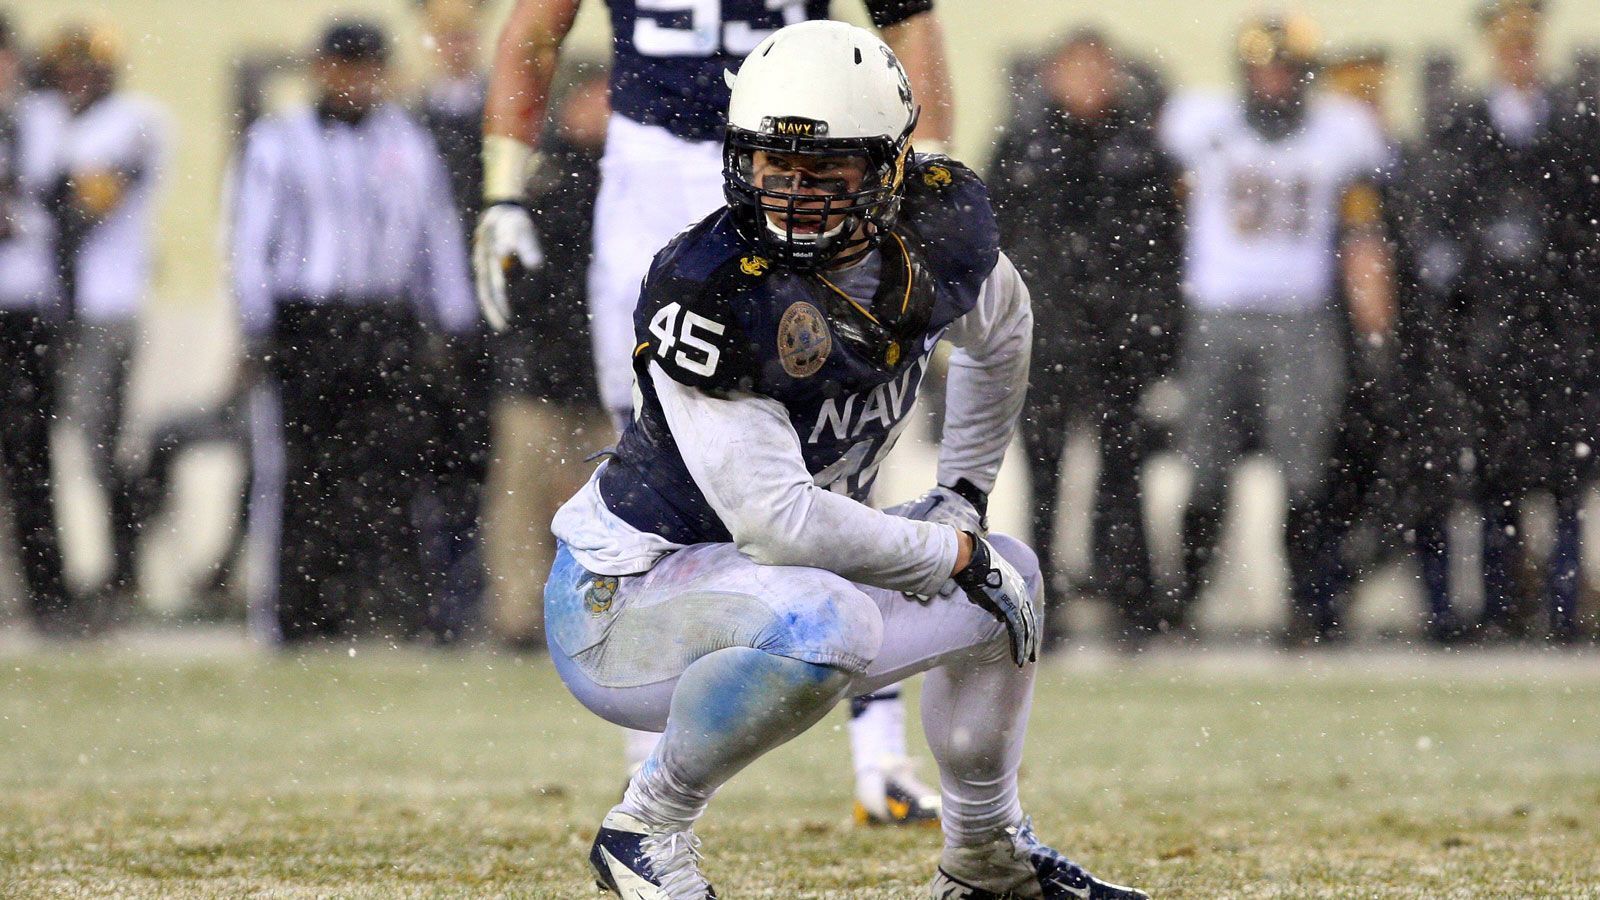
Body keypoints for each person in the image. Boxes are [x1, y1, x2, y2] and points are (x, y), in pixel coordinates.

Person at [545, 22, 1147, 899]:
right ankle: (646, 825)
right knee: (840, 616)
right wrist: (948, 551)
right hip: (625, 602)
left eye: (827, 171)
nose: (795, 195)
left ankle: (985, 855)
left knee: (1008, 579)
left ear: (891, 164)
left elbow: (1004, 329)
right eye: (772, 169)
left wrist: (965, 497)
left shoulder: (937, 225)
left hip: (780, 583)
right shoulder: (715, 285)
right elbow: (777, 522)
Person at [474, 0, 955, 824]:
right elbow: (535, 28)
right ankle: (652, 761)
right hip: (652, 166)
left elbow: (907, 21)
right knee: (652, 458)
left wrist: (929, 169)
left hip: (805, 158)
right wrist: (502, 189)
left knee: (844, 443)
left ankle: (881, 760)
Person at [228, 20, 477, 644]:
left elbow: (435, 235)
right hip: (307, 323)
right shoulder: (276, 140)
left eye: (367, 67)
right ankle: (296, 615)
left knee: (387, 468)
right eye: (344, 67)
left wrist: (453, 320)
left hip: (385, 322)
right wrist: (254, 325)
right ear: (320, 69)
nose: (355, 80)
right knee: (300, 471)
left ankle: (381, 608)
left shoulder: (408, 141)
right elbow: (250, 240)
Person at [1159, 13, 1395, 644]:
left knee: (1305, 469)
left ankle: (1307, 604)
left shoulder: (1340, 131)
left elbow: (1367, 227)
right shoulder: (1203, 123)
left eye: (1283, 68)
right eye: (1260, 68)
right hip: (1217, 311)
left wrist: (1375, 321)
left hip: (1302, 315)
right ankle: (1185, 603)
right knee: (1205, 465)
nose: (1271, 81)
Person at [987, 29, 1181, 647]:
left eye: (1099, 71)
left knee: (1124, 473)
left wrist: (1158, 330)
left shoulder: (1142, 147)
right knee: (1043, 475)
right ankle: (1039, 598)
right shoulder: (1022, 145)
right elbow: (991, 245)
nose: (1089, 84)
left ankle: (1132, 598)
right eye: (1077, 70)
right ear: (1052, 77)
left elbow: (1168, 248)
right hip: (1045, 339)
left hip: (1122, 340)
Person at [1436, 0, 1595, 642]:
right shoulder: (1469, 126)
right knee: (1498, 479)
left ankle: (1562, 609)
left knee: (1566, 481)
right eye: (1509, 46)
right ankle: (1501, 607)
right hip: (1494, 330)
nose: (1519, 58)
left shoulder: (1575, 127)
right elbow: (1447, 223)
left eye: (1527, 46)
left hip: (1561, 329)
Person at [481, 61, 611, 650]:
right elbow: (518, 284)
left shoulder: (626, 180)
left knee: (606, 508)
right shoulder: (539, 182)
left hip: (605, 377)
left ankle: (599, 618)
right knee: (520, 505)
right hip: (537, 377)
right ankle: (517, 621)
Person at [41, 22, 168, 619]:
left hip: (105, 307)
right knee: (77, 447)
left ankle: (119, 570)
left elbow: (90, 204)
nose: (76, 80)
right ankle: (101, 570)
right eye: (68, 69)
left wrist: (37, 194)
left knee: (97, 446)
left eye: (86, 68)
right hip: (54, 307)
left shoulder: (134, 121)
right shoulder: (48, 120)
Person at [413, 0, 494, 643]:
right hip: (418, 329)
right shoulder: (408, 122)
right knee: (428, 467)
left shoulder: (501, 117)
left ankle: (472, 596)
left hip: (493, 326)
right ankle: (432, 598)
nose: (454, 45)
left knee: (482, 468)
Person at [0, 12, 75, 637]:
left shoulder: (42, 119)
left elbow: (61, 199)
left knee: (30, 457)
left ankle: (47, 592)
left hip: (25, 306)